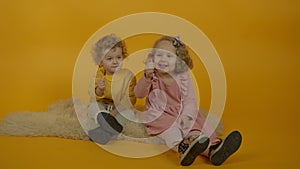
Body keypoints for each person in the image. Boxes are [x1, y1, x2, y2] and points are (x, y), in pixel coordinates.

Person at [134, 35, 242, 166]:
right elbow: (138, 94)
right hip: (160, 115)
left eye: (169, 56)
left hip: (180, 111)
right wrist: (146, 77)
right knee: (171, 132)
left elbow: (189, 100)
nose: (163, 59)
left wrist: (187, 116)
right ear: (152, 58)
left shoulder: (182, 76)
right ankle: (183, 148)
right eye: (159, 55)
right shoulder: (152, 76)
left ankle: (212, 150)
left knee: (194, 127)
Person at [87, 34, 137, 145]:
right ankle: (105, 123)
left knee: (130, 114)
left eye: (118, 57)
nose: (115, 62)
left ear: (123, 56)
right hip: (103, 107)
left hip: (120, 109)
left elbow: (130, 99)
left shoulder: (128, 76)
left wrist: (112, 114)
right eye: (109, 59)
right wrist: (99, 89)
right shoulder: (99, 75)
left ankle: (104, 130)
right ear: (101, 61)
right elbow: (93, 95)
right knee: (92, 107)